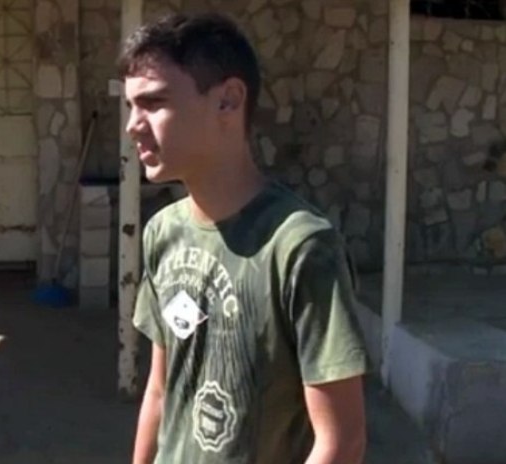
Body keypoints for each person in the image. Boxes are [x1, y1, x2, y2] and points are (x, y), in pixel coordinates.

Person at [119, 12, 369, 464]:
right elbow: (160, 389)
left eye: (153, 103)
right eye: (130, 107)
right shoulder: (162, 232)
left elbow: (341, 441)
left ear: (228, 101)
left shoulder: (300, 247)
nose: (133, 125)